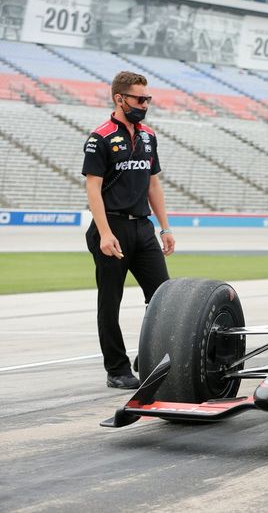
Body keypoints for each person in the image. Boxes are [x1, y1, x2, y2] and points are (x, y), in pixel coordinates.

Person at [82, 71, 175, 389]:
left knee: (164, 297)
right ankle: (117, 369)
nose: (145, 104)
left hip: (143, 229)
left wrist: (165, 227)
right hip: (112, 229)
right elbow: (92, 189)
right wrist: (105, 233)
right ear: (119, 98)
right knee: (110, 301)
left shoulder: (149, 136)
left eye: (147, 99)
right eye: (139, 99)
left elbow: (153, 183)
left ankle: (147, 357)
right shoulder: (101, 137)